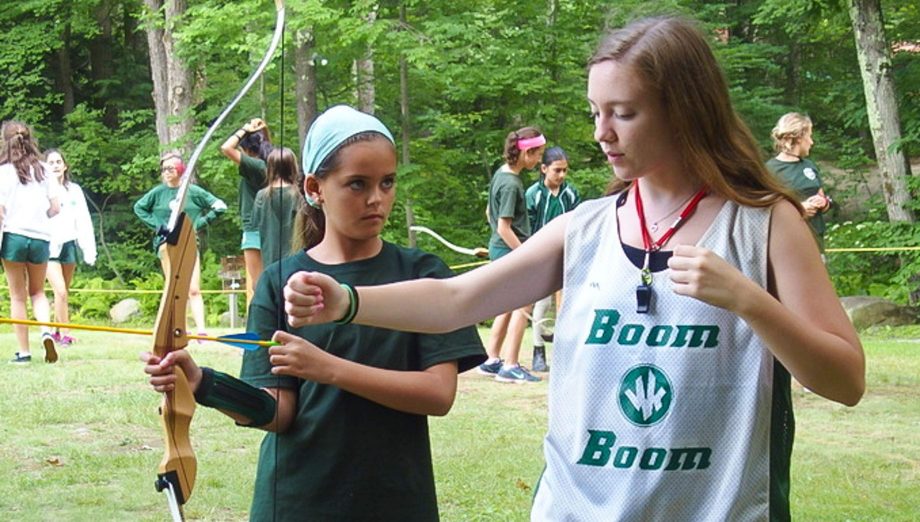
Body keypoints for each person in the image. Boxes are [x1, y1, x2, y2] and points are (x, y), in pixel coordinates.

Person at [281, 17, 865, 520]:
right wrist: (349, 303)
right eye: (595, 111)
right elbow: (456, 301)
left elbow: (845, 381)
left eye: (624, 113)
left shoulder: (762, 226)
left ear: (685, 110)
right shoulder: (585, 227)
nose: (600, 132)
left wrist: (748, 301)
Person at [140, 105, 485, 520]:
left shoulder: (421, 273)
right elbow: (279, 411)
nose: (377, 198)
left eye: (387, 182)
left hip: (393, 500)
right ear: (315, 187)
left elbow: (437, 394)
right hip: (296, 501)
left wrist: (329, 368)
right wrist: (200, 382)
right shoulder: (278, 280)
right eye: (357, 184)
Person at [133, 151, 226, 338]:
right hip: (166, 245)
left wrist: (198, 224)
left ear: (180, 170)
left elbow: (219, 206)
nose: (166, 172)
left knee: (193, 288)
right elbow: (139, 208)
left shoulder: (192, 192)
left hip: (189, 244)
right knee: (174, 287)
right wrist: (159, 227)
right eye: (163, 169)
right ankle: (178, 327)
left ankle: (201, 331)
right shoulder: (158, 193)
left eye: (170, 168)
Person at [480, 126, 545, 383]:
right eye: (538, 154)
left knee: (505, 306)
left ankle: (492, 358)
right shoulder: (511, 184)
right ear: (526, 153)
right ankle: (510, 365)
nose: (540, 159)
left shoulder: (501, 174)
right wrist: (523, 254)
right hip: (509, 250)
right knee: (522, 305)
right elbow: (503, 226)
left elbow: (488, 213)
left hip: (501, 248)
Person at [0, 121, 62, 363]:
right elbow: (55, 207)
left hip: (14, 236)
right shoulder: (45, 170)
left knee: (17, 296)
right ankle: (46, 331)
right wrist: (41, 217)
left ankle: (24, 352)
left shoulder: (3, 171)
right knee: (37, 291)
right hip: (41, 238)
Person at [524, 146, 580, 372]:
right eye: (557, 170)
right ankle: (538, 350)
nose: (562, 175)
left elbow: (578, 224)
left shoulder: (571, 193)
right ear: (544, 169)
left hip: (567, 255)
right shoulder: (533, 194)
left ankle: (564, 351)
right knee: (542, 302)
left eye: (565, 170)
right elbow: (526, 227)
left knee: (567, 303)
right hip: (541, 256)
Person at [44, 149, 97, 346]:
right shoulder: (42, 189)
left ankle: (57, 331)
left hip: (69, 244)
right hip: (49, 246)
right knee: (60, 290)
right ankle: (66, 333)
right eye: (51, 162)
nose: (56, 165)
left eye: (59, 162)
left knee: (64, 290)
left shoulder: (74, 189)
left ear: (65, 166)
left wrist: (88, 249)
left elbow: (83, 219)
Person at [220, 118, 273, 302]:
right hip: (267, 225)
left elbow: (226, 148)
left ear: (247, 149)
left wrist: (244, 129)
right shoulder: (269, 165)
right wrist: (264, 131)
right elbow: (266, 145)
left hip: (253, 228)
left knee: (258, 284)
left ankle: (261, 324)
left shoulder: (255, 166)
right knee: (269, 280)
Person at [767, 112, 832, 253]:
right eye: (809, 136)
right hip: (788, 244)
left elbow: (824, 198)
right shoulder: (770, 170)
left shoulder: (809, 165)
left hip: (816, 241)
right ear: (798, 138)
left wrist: (824, 203)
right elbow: (764, 211)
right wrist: (798, 209)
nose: (812, 142)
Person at [250, 147, 303, 268]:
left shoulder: (261, 196)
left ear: (270, 168)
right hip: (297, 262)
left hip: (269, 262)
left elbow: (254, 228)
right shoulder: (299, 195)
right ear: (292, 167)